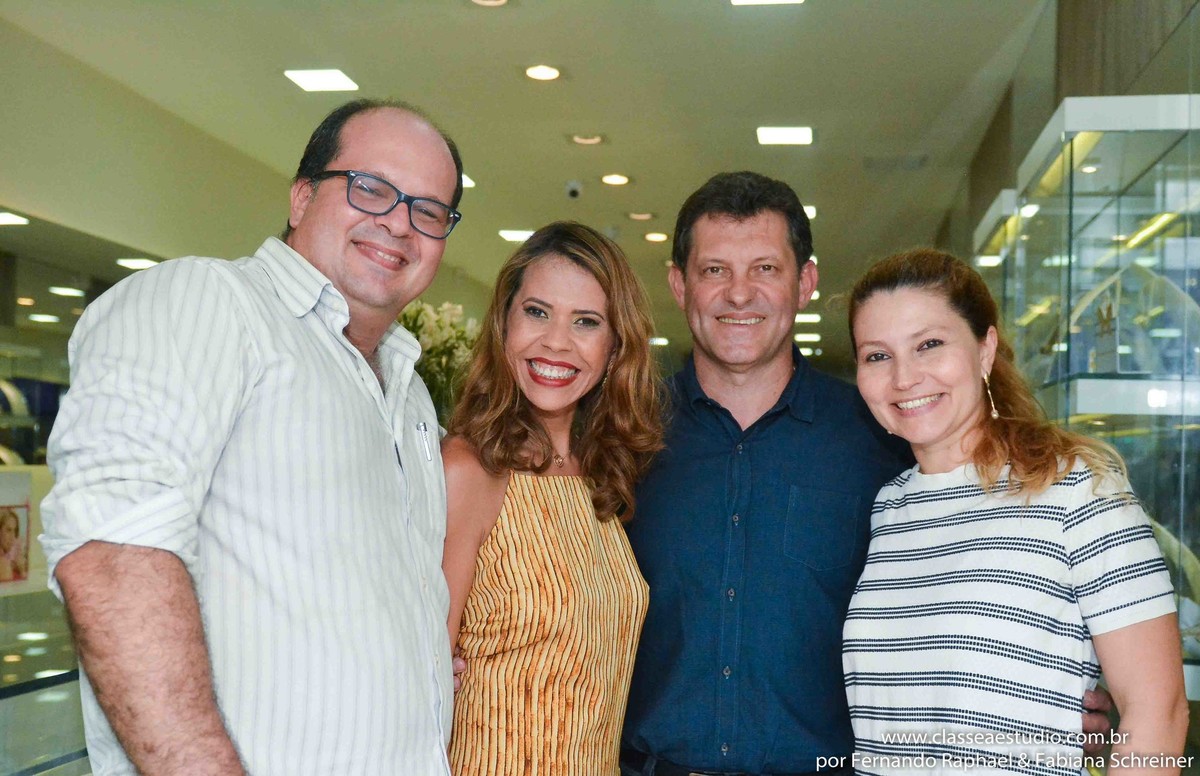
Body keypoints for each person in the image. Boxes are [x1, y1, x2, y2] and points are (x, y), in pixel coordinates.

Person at [40, 98, 465, 775]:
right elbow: (111, 554)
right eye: (371, 188)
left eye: (429, 210)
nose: (399, 224)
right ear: (302, 197)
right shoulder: (211, 302)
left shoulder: (407, 389)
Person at [843, 248, 1187, 773]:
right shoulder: (891, 506)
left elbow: (1158, 712)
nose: (904, 377)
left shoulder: (1078, 489)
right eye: (877, 355)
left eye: (929, 344)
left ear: (985, 350)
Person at [620, 171, 913, 776]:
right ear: (679, 284)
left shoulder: (881, 439)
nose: (738, 294)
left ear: (805, 281)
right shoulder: (621, 435)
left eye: (765, 269)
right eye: (714, 270)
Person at [442, 221, 663, 774]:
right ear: (504, 323)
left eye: (586, 322)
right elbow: (417, 678)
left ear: (615, 347)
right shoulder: (467, 468)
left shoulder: (600, 476)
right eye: (537, 312)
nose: (556, 342)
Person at [0, 507, 25, 581]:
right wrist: (22, 572)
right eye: (8, 530)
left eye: (15, 531)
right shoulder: (4, 565)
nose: (13, 537)